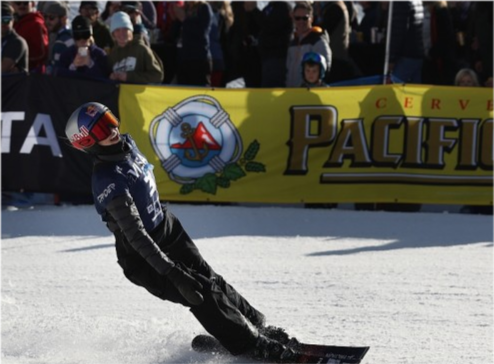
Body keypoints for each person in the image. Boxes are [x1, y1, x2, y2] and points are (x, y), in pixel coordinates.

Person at [64, 101, 299, 362]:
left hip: (167, 229)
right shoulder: (107, 179)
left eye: (109, 121)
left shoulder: (126, 145)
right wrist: (172, 272)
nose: (111, 131)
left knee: (211, 278)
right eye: (100, 131)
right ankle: (249, 345)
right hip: (144, 256)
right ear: (88, 142)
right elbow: (136, 235)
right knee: (198, 292)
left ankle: (256, 326)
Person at [108, 11, 164, 83]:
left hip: (139, 94)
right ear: (113, 34)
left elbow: (157, 76)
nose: (121, 34)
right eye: (117, 30)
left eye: (125, 29)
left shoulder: (142, 49)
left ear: (131, 31)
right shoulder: (113, 54)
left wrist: (129, 77)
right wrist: (111, 77)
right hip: (120, 93)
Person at [286, 2, 331, 87]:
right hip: (291, 93)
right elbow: (288, 70)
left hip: (309, 93)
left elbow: (325, 69)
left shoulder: (318, 40)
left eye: (305, 18)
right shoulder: (293, 42)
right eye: (297, 18)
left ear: (312, 19)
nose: (301, 21)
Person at [173, 0, 214, 86]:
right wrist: (175, 19)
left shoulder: (204, 8)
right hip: (184, 58)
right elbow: (176, 32)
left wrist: (185, 19)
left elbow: (202, 32)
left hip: (199, 58)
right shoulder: (186, 8)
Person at [56, 15, 110, 79]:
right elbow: (59, 79)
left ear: (90, 35)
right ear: (73, 37)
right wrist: (73, 66)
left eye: (85, 35)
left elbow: (106, 79)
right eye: (78, 36)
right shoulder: (66, 55)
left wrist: (90, 64)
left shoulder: (99, 54)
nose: (82, 40)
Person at [257, 0, 293, 87]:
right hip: (266, 57)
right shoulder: (268, 7)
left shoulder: (283, 7)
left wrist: (254, 10)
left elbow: (270, 26)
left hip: (277, 57)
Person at [11, 0, 48, 73]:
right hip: (15, 72)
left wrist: (20, 61)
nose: (22, 6)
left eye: (26, 2)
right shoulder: (13, 22)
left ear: (33, 3)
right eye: (18, 3)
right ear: (13, 4)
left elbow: (42, 54)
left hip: (32, 74)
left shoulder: (36, 24)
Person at [43, 1, 73, 73]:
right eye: (45, 17)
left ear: (63, 19)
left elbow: (57, 69)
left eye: (52, 18)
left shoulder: (61, 42)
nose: (47, 21)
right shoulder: (71, 35)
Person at [0, 3, 28, 74]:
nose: (3, 23)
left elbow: (2, 69)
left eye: (6, 20)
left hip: (14, 84)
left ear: (13, 20)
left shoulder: (17, 42)